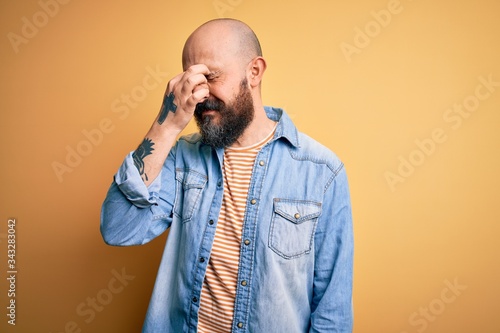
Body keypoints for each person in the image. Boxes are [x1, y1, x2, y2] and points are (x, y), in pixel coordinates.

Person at [101, 18, 353, 333]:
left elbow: (333, 312)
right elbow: (118, 228)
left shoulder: (322, 172)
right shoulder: (181, 156)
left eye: (211, 76)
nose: (199, 94)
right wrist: (166, 125)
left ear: (255, 71)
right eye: (191, 81)